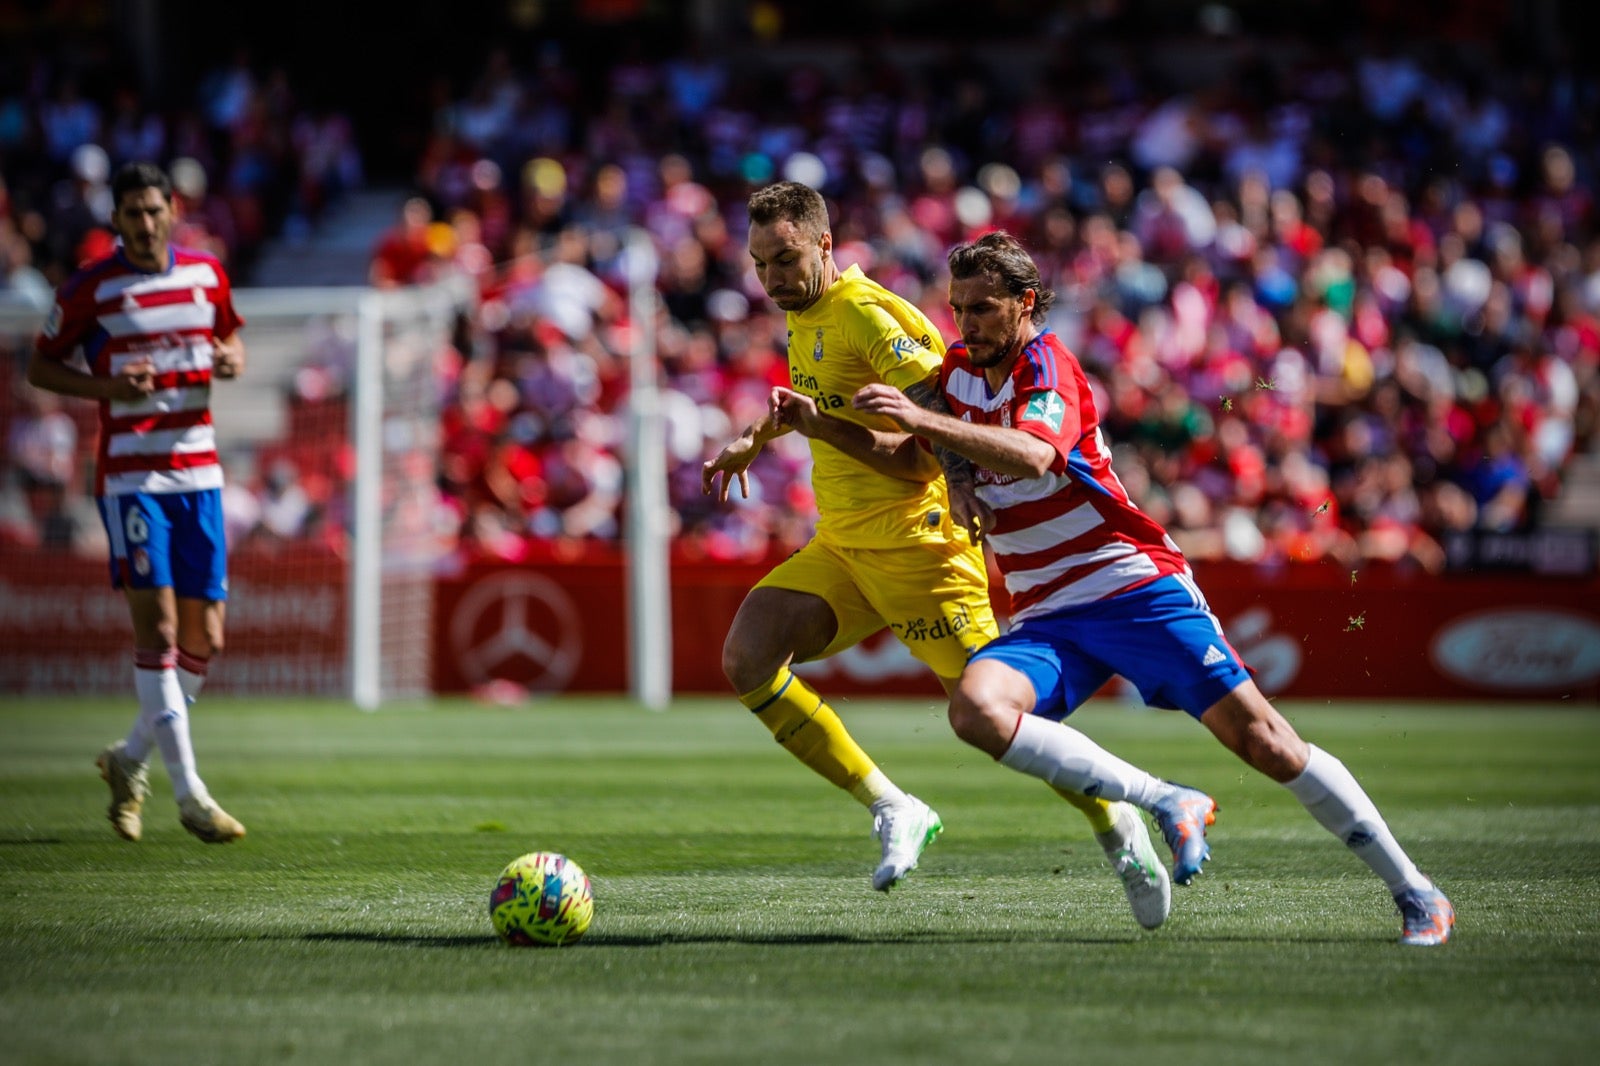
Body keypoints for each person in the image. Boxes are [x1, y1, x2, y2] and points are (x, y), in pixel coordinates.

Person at [853, 231, 1454, 946]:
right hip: (1047, 612)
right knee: (977, 711)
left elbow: (1038, 454)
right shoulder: (956, 371)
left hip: (1130, 586)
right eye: (958, 309)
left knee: (1266, 743)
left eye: (983, 308)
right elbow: (927, 446)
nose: (967, 323)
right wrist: (825, 429)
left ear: (1025, 303)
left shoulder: (1051, 366)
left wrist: (924, 420)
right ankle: (1167, 800)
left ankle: (1417, 891)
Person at [703, 181, 1209, 928]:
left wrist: (963, 481)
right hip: (843, 546)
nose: (772, 277)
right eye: (760, 263)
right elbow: (824, 404)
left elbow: (933, 428)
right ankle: (894, 805)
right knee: (748, 659)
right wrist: (765, 432)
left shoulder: (867, 314)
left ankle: (1119, 821)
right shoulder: (806, 315)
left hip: (922, 551)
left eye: (785, 259)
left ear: (825, 246)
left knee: (1004, 723)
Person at [27, 161, 247, 845]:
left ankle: (128, 761)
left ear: (171, 210)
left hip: (200, 476)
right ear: (116, 220)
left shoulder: (207, 274)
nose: (146, 224)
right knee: (159, 634)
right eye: (133, 214)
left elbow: (230, 337)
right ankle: (191, 796)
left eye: (155, 211)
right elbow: (39, 366)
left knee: (206, 638)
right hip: (132, 481)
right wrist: (110, 391)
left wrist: (233, 357)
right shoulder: (90, 289)